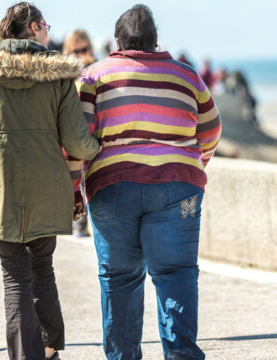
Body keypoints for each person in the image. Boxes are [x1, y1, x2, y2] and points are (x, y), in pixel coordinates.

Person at [0, 2, 100, 359]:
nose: (48, 30)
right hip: (47, 186)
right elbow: (77, 142)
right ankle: (47, 348)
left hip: (0, 187)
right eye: (43, 24)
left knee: (14, 276)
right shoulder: (57, 76)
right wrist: (98, 146)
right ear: (32, 29)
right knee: (42, 266)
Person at [72, 5, 221, 360]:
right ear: (155, 42)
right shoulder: (188, 76)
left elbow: (79, 139)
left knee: (119, 278)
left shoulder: (93, 77)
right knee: (176, 272)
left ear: (117, 41)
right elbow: (211, 130)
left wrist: (76, 184)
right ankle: (181, 355)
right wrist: (192, 166)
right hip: (180, 192)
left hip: (111, 188)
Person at [62, 29, 96, 237]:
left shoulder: (97, 71)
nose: (80, 55)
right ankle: (79, 221)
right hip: (73, 134)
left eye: (84, 49)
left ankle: (82, 221)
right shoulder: (63, 76)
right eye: (75, 51)